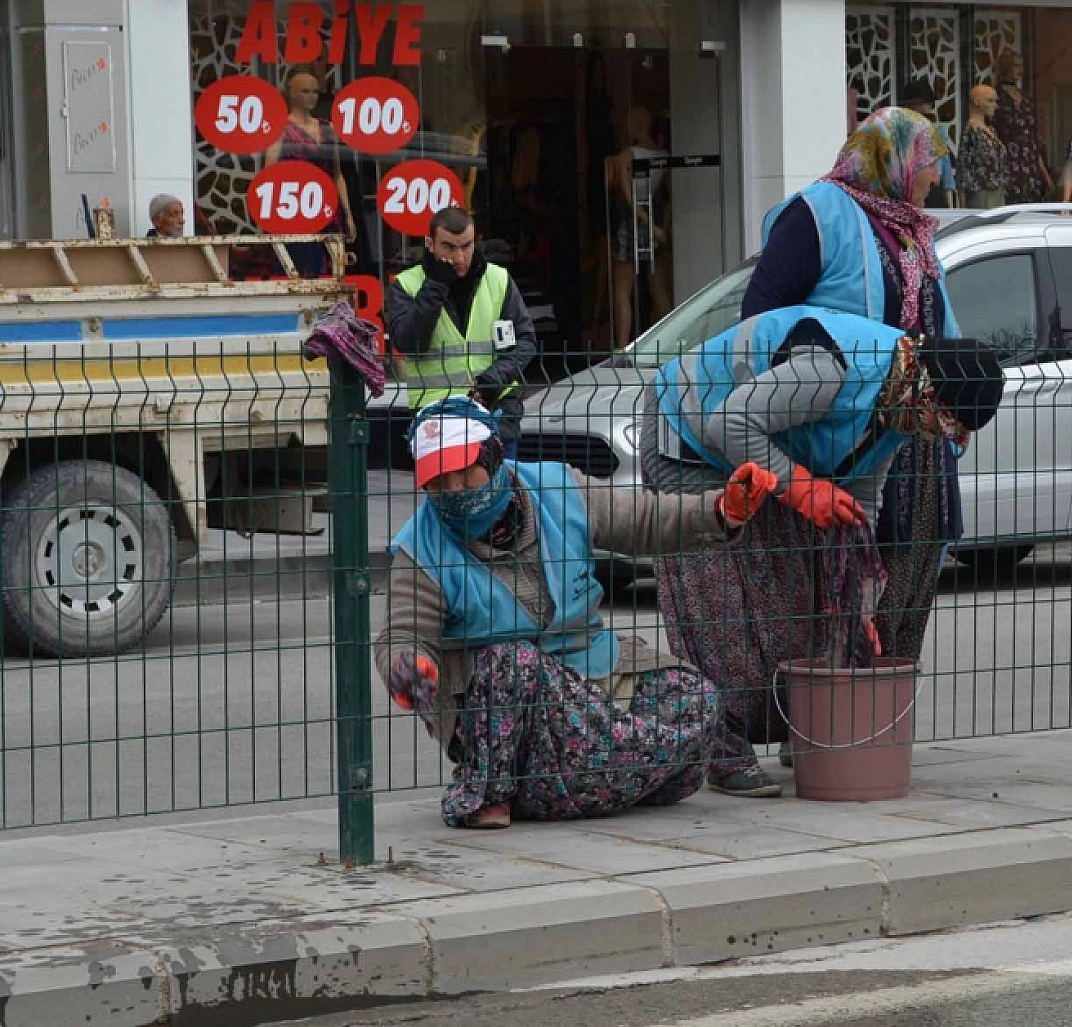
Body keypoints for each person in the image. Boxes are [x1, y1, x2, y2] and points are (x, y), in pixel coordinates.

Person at [642, 306, 1004, 797]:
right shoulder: (835, 368)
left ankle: (809, 728)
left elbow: (862, 504)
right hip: (687, 433)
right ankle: (723, 753)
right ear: (927, 392)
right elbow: (728, 423)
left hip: (758, 443)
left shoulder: (899, 410)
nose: (936, 436)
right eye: (942, 423)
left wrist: (863, 601)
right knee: (716, 600)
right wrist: (799, 486)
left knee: (802, 596)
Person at [376, 397, 780, 828]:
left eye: (464, 472)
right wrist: (410, 667)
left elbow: (644, 519)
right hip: (507, 721)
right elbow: (404, 633)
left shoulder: (558, 488)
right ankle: (511, 790)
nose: (455, 490)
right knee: (509, 661)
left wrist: (721, 511)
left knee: (696, 699)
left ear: (493, 456)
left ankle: (570, 784)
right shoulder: (418, 549)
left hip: (594, 678)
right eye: (439, 482)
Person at [740, 107, 968, 678]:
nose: (935, 178)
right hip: (843, 437)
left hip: (916, 440)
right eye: (929, 162)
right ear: (893, 159)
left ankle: (878, 711)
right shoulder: (817, 214)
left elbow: (943, 327)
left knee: (905, 582)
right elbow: (760, 320)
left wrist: (959, 406)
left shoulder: (913, 231)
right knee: (834, 583)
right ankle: (823, 722)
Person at [385, 207, 535, 454]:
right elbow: (409, 342)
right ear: (430, 244)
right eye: (449, 247)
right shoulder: (407, 284)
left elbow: (525, 341)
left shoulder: (498, 279)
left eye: (466, 246)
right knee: (446, 492)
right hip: (436, 413)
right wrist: (435, 285)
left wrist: (490, 383)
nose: (459, 257)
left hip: (494, 405)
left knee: (503, 489)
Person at [265, 71, 355, 276]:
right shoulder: (281, 129)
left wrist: (348, 213)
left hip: (327, 208)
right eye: (305, 92)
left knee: (332, 268)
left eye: (315, 92)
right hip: (296, 208)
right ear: (293, 94)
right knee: (299, 267)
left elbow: (337, 174)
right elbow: (269, 176)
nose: (312, 97)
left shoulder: (328, 128)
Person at [606, 107, 674, 347]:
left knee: (622, 289)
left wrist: (648, 223)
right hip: (654, 219)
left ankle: (622, 347)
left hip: (632, 221)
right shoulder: (664, 155)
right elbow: (668, 196)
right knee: (658, 288)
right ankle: (667, 342)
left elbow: (627, 196)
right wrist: (660, 226)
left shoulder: (628, 155)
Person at [992, 50, 1053, 205]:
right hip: (1007, 165)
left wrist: (1044, 173)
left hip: (1030, 167)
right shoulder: (996, 98)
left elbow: (1033, 139)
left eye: (1021, 66)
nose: (1019, 70)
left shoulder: (1026, 99)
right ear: (1006, 68)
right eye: (1015, 66)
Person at [896, 80, 956, 208]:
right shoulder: (900, 130)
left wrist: (950, 201)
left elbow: (945, 165)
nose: (927, 105)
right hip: (911, 186)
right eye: (922, 102)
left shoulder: (936, 130)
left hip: (934, 187)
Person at [956, 85, 1008, 210]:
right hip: (980, 193)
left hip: (997, 191)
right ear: (977, 101)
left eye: (995, 101)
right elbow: (963, 168)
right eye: (990, 101)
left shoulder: (991, 131)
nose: (995, 105)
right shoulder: (971, 131)